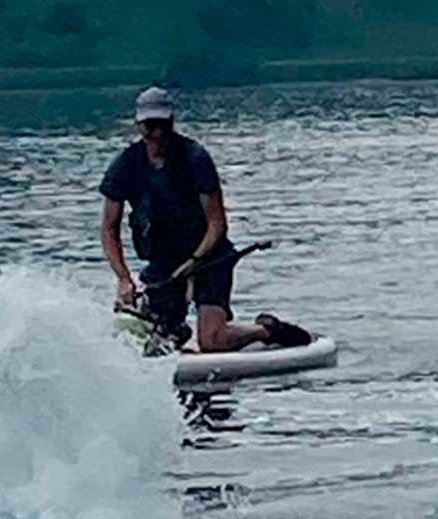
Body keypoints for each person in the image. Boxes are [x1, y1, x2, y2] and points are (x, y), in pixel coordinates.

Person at [99, 86, 310, 352]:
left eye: (163, 125)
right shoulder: (125, 165)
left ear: (172, 123)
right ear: (139, 126)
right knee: (147, 334)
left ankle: (267, 331)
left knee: (212, 342)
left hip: (210, 257)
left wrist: (194, 262)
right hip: (164, 263)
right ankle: (176, 331)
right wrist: (123, 277)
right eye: (150, 127)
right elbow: (109, 229)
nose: (157, 134)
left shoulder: (195, 158)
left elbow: (217, 223)